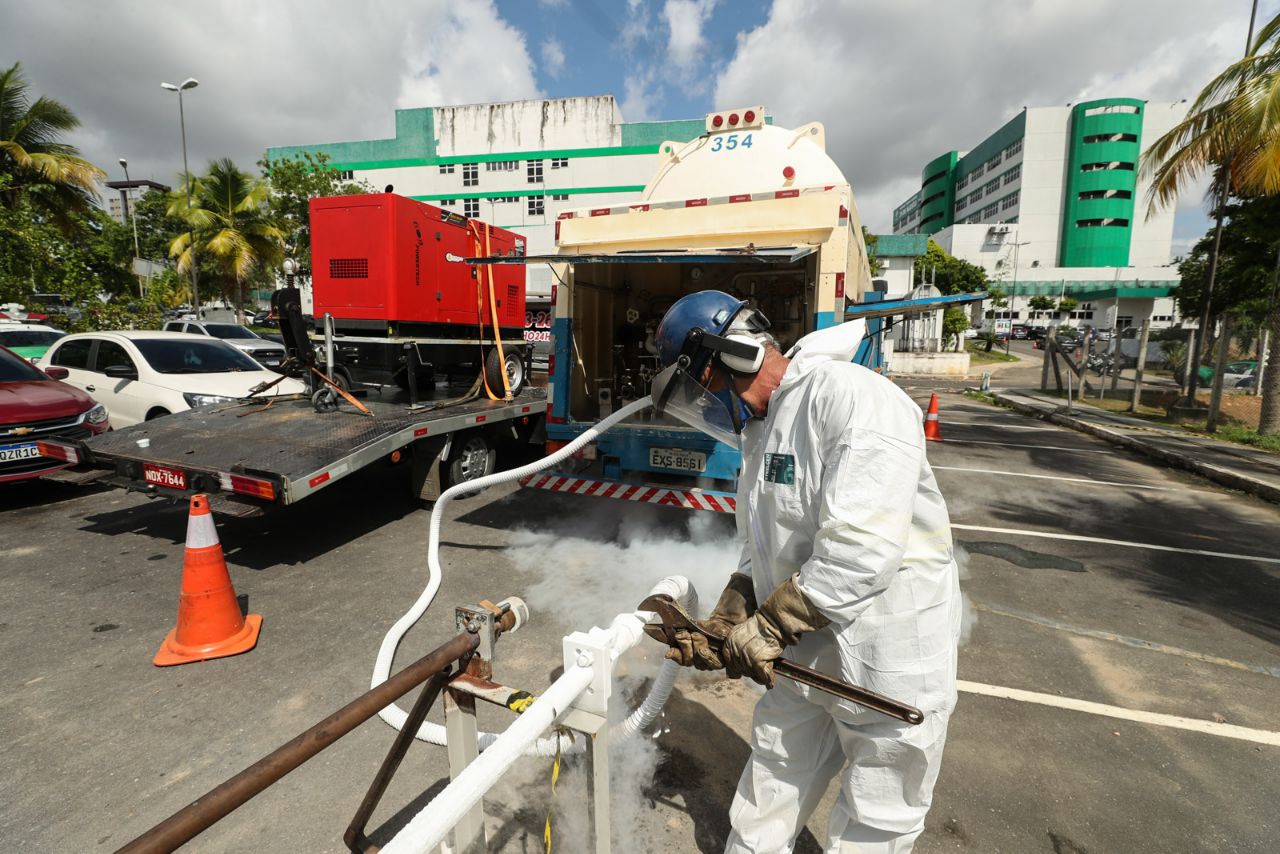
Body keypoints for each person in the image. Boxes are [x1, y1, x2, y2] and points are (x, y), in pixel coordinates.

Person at [652, 290, 960, 854]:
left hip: (885, 657)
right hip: (803, 655)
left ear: (728, 357)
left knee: (877, 815)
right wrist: (731, 615)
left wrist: (767, 630)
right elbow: (763, 542)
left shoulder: (851, 397)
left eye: (699, 392)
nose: (705, 407)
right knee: (772, 773)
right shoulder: (758, 430)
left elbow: (861, 550)